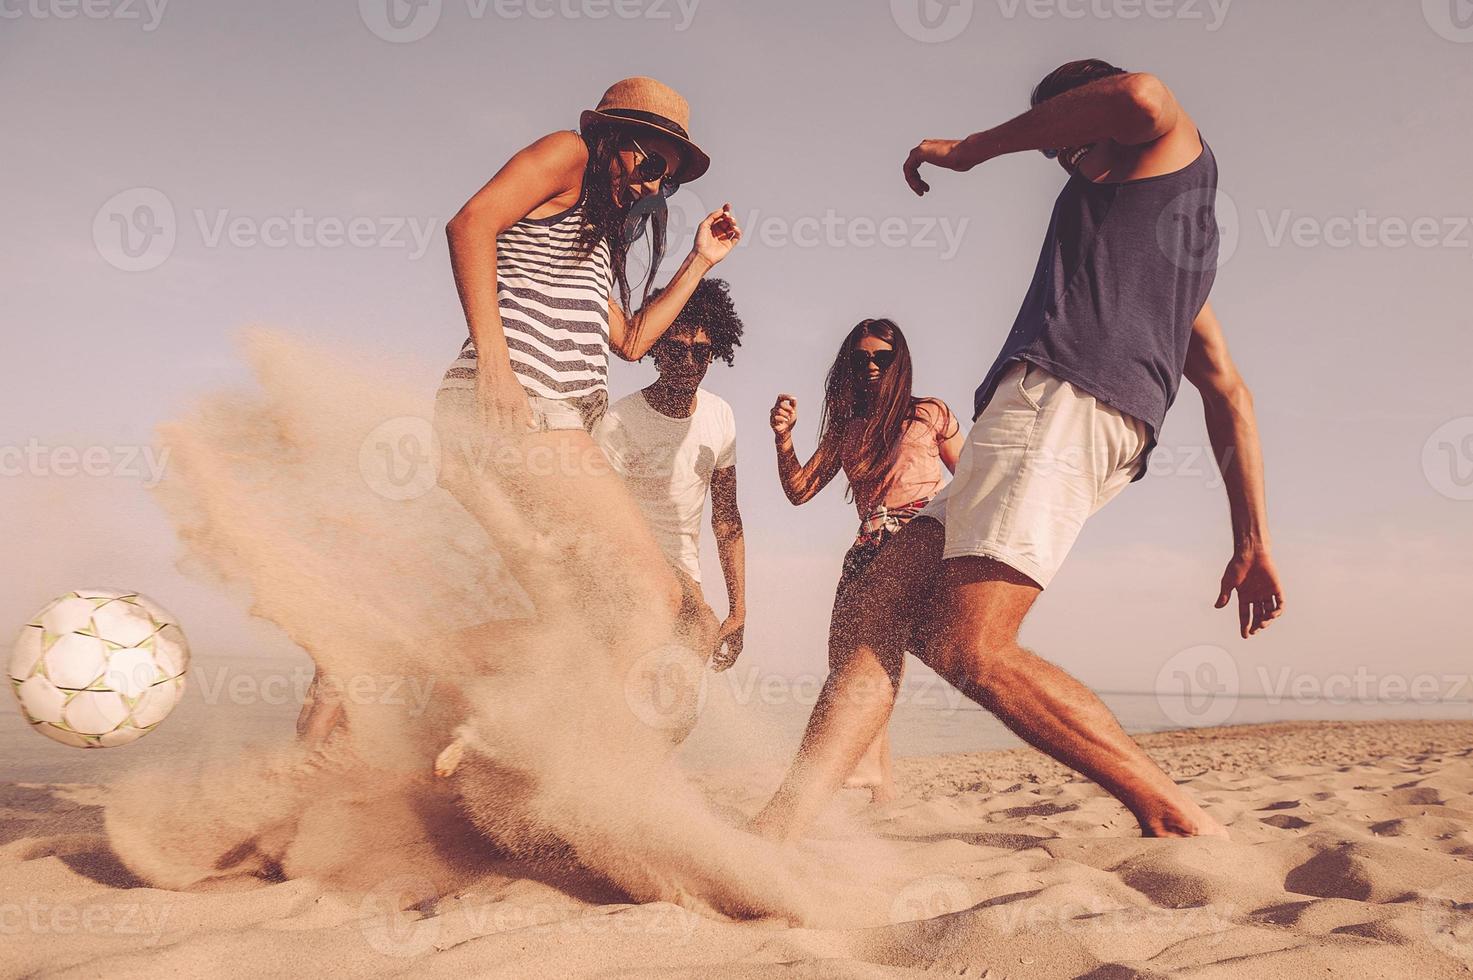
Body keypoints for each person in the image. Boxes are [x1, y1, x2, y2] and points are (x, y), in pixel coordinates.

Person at [752, 60, 1285, 841]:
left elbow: (1139, 94)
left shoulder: (1162, 153)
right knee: (883, 603)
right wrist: (1253, 539)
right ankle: (778, 829)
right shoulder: (1165, 259)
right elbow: (1228, 393)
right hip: (1049, 420)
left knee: (972, 645)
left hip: (1060, 405)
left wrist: (970, 150)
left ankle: (1171, 813)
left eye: (1061, 139)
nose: (1058, 157)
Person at [299, 77, 742, 745]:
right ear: (610, 138)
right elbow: (469, 222)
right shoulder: (567, 152)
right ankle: (601, 776)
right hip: (523, 409)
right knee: (652, 597)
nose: (653, 188)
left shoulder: (591, 239)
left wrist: (699, 260)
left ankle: (373, 666)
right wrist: (496, 362)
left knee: (577, 625)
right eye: (648, 165)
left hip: (524, 420)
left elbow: (630, 342)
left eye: (668, 182)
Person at [768, 319, 963, 802]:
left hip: (920, 533)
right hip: (869, 545)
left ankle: (866, 770)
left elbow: (973, 476)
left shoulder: (929, 414)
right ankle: (885, 794)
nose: (871, 366)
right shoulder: (847, 429)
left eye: (882, 357)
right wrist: (783, 439)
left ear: (901, 363)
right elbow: (799, 491)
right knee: (851, 660)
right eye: (860, 359)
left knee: (872, 657)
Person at [594, 278, 747, 704]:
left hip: (686, 573)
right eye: (676, 349)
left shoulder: (721, 416)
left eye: (701, 351)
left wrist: (738, 608)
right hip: (627, 567)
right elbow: (595, 516)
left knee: (677, 699)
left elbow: (727, 519)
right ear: (656, 350)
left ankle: (642, 768)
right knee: (649, 669)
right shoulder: (619, 421)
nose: (688, 361)